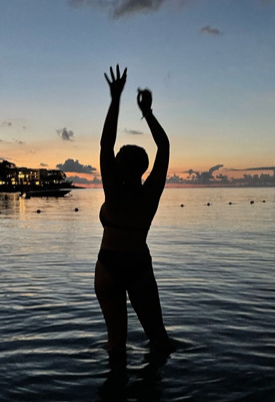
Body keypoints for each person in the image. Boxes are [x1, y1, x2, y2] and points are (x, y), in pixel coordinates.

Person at [94, 65, 171, 363]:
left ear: (118, 164)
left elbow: (105, 143)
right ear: (143, 169)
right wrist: (147, 112)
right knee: (159, 340)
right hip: (138, 264)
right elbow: (163, 146)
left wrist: (116, 98)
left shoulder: (112, 190)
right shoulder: (149, 194)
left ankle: (113, 401)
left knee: (116, 346)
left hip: (108, 265)